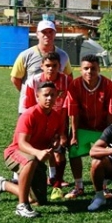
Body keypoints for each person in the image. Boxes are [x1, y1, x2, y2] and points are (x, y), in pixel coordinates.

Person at [0, 81, 67, 218]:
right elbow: (21, 143)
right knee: (30, 161)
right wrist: (38, 152)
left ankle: (2, 184)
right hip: (15, 153)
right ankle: (21, 206)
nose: (49, 98)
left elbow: (57, 138)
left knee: (38, 200)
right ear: (38, 96)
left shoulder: (57, 117)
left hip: (36, 158)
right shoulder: (29, 114)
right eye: (46, 95)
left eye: (53, 95)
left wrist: (55, 143)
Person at [66, 54, 112, 200]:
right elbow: (73, 113)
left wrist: (111, 135)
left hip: (101, 128)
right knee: (74, 150)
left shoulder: (108, 85)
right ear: (80, 70)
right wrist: (74, 135)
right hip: (82, 126)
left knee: (106, 154)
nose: (89, 72)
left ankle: (104, 187)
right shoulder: (74, 85)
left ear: (99, 69)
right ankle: (78, 186)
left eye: (93, 68)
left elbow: (110, 113)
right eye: (86, 68)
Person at [22, 51, 73, 198]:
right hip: (37, 121)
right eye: (48, 65)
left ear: (60, 66)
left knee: (59, 153)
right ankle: (20, 176)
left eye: (54, 66)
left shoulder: (66, 81)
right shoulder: (33, 81)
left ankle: (56, 183)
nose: (51, 69)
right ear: (42, 66)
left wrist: (62, 131)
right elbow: (30, 106)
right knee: (31, 150)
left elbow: (65, 107)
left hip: (57, 120)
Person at [10, 19, 72, 114]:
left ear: (55, 33)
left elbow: (69, 77)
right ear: (37, 34)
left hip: (55, 109)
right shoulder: (26, 55)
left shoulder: (63, 55)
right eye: (43, 32)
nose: (47, 35)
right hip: (29, 107)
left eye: (50, 31)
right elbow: (15, 78)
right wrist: (32, 93)